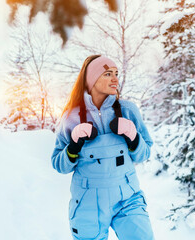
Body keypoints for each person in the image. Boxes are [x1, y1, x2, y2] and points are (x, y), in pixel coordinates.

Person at [51, 55, 155, 240]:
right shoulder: (71, 117)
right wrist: (73, 146)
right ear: (92, 79)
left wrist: (133, 138)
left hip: (128, 198)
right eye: (108, 74)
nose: (115, 79)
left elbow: (144, 154)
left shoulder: (128, 110)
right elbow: (59, 165)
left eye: (116, 73)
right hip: (87, 203)